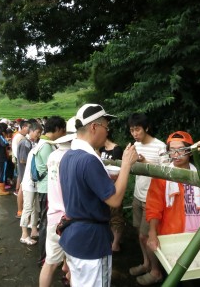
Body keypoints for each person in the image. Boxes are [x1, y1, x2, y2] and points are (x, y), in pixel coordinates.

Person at [59, 103, 138, 286]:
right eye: (106, 127)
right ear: (94, 127)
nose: (107, 132)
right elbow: (115, 200)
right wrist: (126, 164)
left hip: (73, 237)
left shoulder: (68, 156)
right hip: (91, 242)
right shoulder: (89, 160)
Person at [145, 131, 200, 284]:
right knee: (175, 278)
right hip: (173, 238)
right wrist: (152, 233)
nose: (176, 154)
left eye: (181, 150)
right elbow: (154, 208)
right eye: (172, 150)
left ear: (190, 151)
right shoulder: (162, 177)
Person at [127, 113, 166, 284]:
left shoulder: (160, 147)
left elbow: (166, 172)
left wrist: (145, 161)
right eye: (131, 130)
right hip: (138, 195)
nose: (135, 133)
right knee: (139, 233)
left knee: (147, 236)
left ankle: (156, 271)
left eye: (137, 129)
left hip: (153, 199)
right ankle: (146, 263)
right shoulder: (135, 145)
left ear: (146, 128)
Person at [39, 116, 76, 287]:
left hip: (54, 215)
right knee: (77, 264)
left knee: (50, 262)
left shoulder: (53, 155)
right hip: (69, 219)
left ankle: (65, 274)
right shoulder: (74, 157)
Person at [35, 116, 66, 266]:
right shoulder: (47, 145)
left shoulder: (43, 142)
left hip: (44, 188)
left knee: (45, 222)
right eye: (64, 131)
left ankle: (46, 256)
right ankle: (44, 258)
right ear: (58, 129)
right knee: (46, 224)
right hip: (47, 189)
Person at [99, 132, 125, 252]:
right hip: (103, 186)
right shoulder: (100, 149)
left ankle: (115, 243)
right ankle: (110, 240)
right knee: (106, 214)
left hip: (114, 186)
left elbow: (118, 169)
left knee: (116, 216)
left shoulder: (116, 149)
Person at [12, 120, 31, 218]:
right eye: (29, 127)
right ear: (23, 127)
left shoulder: (19, 137)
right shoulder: (21, 139)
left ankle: (20, 210)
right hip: (22, 165)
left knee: (21, 186)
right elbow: (23, 158)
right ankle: (20, 211)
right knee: (22, 188)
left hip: (19, 163)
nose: (29, 129)